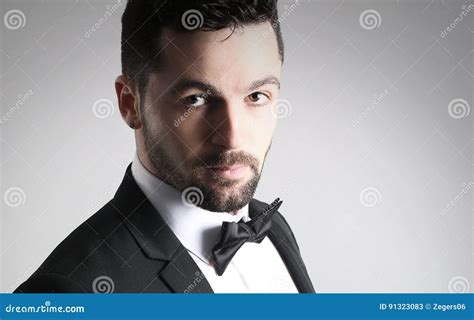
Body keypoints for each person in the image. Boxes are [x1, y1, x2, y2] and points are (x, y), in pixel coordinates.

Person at [14, 0, 315, 293]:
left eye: (257, 96)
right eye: (196, 99)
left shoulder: (275, 230)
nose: (232, 137)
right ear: (130, 103)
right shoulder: (66, 292)